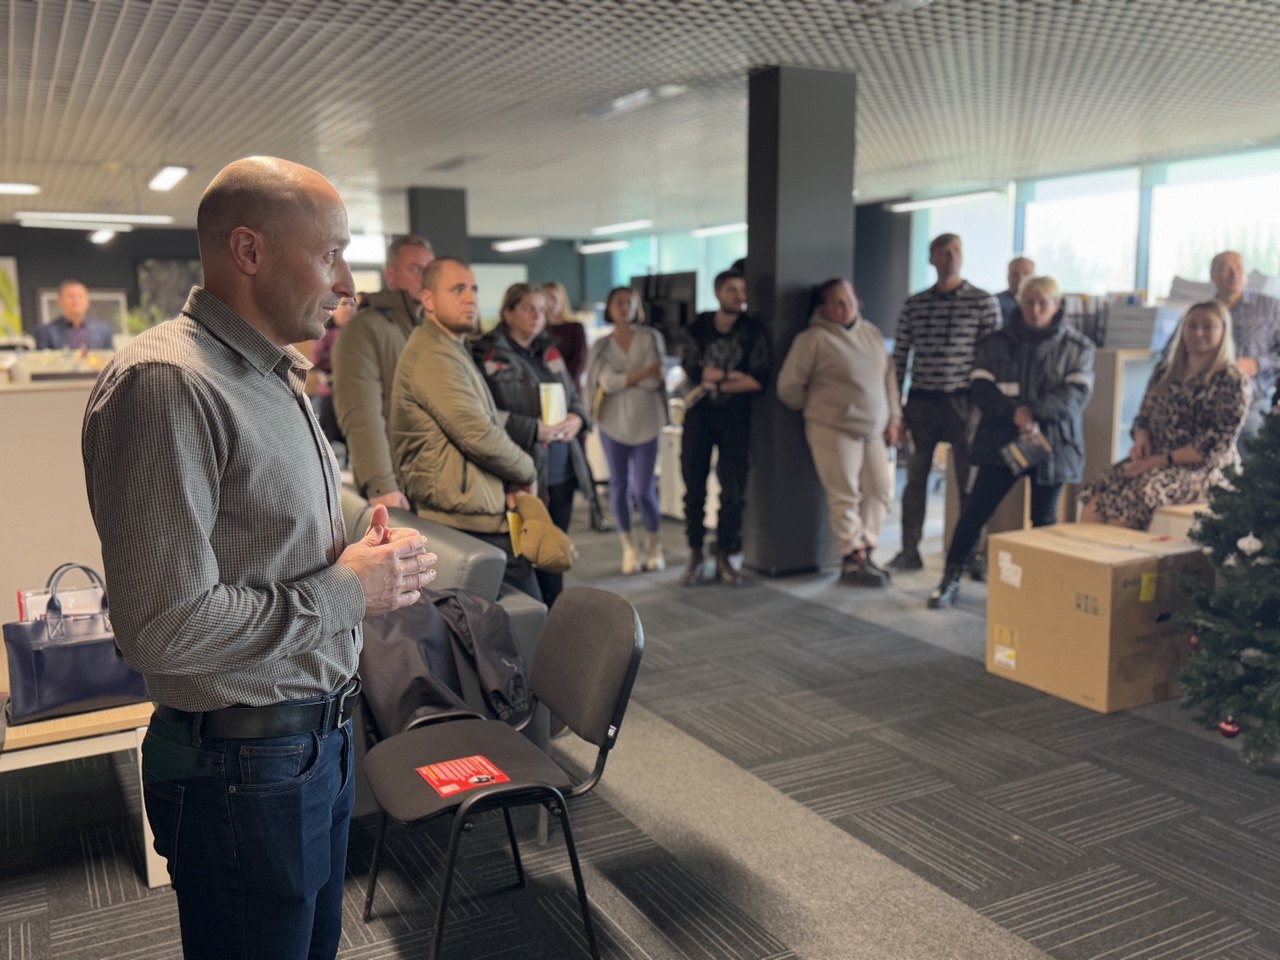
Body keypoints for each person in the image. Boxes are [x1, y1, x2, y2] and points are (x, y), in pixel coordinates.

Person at [81, 157, 437, 960]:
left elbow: (263, 548)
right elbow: (163, 629)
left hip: (313, 746)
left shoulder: (271, 373)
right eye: (331, 254)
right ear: (249, 250)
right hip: (244, 767)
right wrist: (348, 590)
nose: (346, 284)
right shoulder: (168, 383)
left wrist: (355, 556)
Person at [929, 276, 1094, 608]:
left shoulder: (1078, 347)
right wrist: (1014, 414)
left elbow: (1075, 395)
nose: (1035, 310)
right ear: (1019, 303)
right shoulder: (994, 342)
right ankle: (950, 578)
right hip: (1000, 440)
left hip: (1053, 444)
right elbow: (980, 387)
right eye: (1029, 302)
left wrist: (1033, 414)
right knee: (975, 512)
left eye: (1043, 303)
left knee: (1044, 521)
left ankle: (1044, 590)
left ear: (1056, 305)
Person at [390, 258, 542, 599]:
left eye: (473, 289)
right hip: (465, 521)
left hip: (476, 512)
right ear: (428, 300)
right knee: (530, 615)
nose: (471, 298)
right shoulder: (434, 354)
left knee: (523, 615)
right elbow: (479, 435)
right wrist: (527, 470)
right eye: (458, 290)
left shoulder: (449, 347)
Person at [1079, 300, 1249, 530]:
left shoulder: (1232, 381)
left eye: (1208, 326)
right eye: (1192, 326)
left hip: (1202, 468)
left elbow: (1213, 446)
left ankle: (1117, 552)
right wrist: (1142, 439)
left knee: (1138, 494)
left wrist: (1158, 461)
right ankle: (1086, 549)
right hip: (1156, 459)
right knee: (1102, 487)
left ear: (1223, 331)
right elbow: (1143, 417)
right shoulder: (1165, 371)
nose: (1198, 332)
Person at [776, 278, 902, 587]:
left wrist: (894, 418)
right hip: (833, 430)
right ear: (824, 308)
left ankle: (867, 547)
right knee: (844, 495)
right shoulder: (812, 340)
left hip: (874, 431)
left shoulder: (871, 333)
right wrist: (820, 409)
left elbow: (889, 380)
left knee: (880, 490)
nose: (845, 306)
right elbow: (788, 388)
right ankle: (852, 556)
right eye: (836, 301)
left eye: (849, 298)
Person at [473, 283, 592, 606]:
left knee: (554, 552)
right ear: (508, 312)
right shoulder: (486, 353)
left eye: (542, 309)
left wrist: (577, 419)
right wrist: (531, 429)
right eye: (528, 308)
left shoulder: (550, 351)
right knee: (524, 558)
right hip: (521, 471)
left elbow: (574, 395)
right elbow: (482, 415)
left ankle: (553, 620)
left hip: (562, 468)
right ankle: (535, 625)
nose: (538, 315)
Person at [889, 233, 1000, 574]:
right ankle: (909, 550)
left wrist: (986, 406)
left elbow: (994, 357)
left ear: (962, 257)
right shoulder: (915, 304)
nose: (950, 257)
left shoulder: (982, 302)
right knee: (915, 481)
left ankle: (971, 554)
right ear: (932, 258)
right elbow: (900, 357)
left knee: (970, 483)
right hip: (922, 401)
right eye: (942, 251)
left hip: (964, 402)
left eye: (955, 251)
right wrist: (895, 410)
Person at [676, 270, 769, 586]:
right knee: (694, 489)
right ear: (718, 292)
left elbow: (757, 378)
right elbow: (692, 369)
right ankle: (695, 553)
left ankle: (725, 553)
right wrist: (734, 376)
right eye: (732, 290)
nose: (739, 296)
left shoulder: (752, 330)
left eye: (743, 290)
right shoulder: (699, 326)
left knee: (733, 492)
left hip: (736, 421)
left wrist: (716, 378)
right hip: (699, 418)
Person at [332, 234, 434, 510]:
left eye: (430, 270)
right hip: (399, 485)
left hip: (433, 482)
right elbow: (361, 412)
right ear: (391, 275)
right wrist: (381, 483)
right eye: (415, 269)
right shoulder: (364, 329)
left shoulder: (429, 330)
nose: (425, 278)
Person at [586, 286, 669, 574]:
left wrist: (626, 378)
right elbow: (607, 383)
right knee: (619, 487)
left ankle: (653, 546)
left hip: (647, 421)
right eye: (619, 302)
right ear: (609, 308)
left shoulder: (650, 338)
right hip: (612, 423)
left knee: (644, 489)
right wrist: (641, 373)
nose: (624, 308)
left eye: (629, 302)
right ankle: (629, 548)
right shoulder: (601, 346)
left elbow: (655, 381)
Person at [1208, 250, 1280, 457]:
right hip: (1207, 404)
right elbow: (1173, 355)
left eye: (1239, 268)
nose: (1234, 274)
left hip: (1253, 401)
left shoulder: (1271, 308)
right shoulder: (1202, 313)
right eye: (1226, 269)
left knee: (1255, 458)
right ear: (1213, 275)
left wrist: (1258, 364)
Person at [35, 280, 115, 349]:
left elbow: (111, 358)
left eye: (80, 296)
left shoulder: (103, 330)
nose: (76, 300)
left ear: (88, 302)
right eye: (70, 296)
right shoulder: (46, 332)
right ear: (59, 301)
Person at [542, 280, 588, 388]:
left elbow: (579, 361)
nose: (549, 304)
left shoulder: (575, 328)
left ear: (562, 300)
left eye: (553, 298)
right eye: (545, 299)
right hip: (545, 387)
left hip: (570, 387)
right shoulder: (538, 330)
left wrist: (565, 385)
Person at [996, 256, 1035, 329]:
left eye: (1026, 273)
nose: (1021, 278)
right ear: (1008, 277)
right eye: (1015, 274)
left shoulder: (1043, 303)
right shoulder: (996, 302)